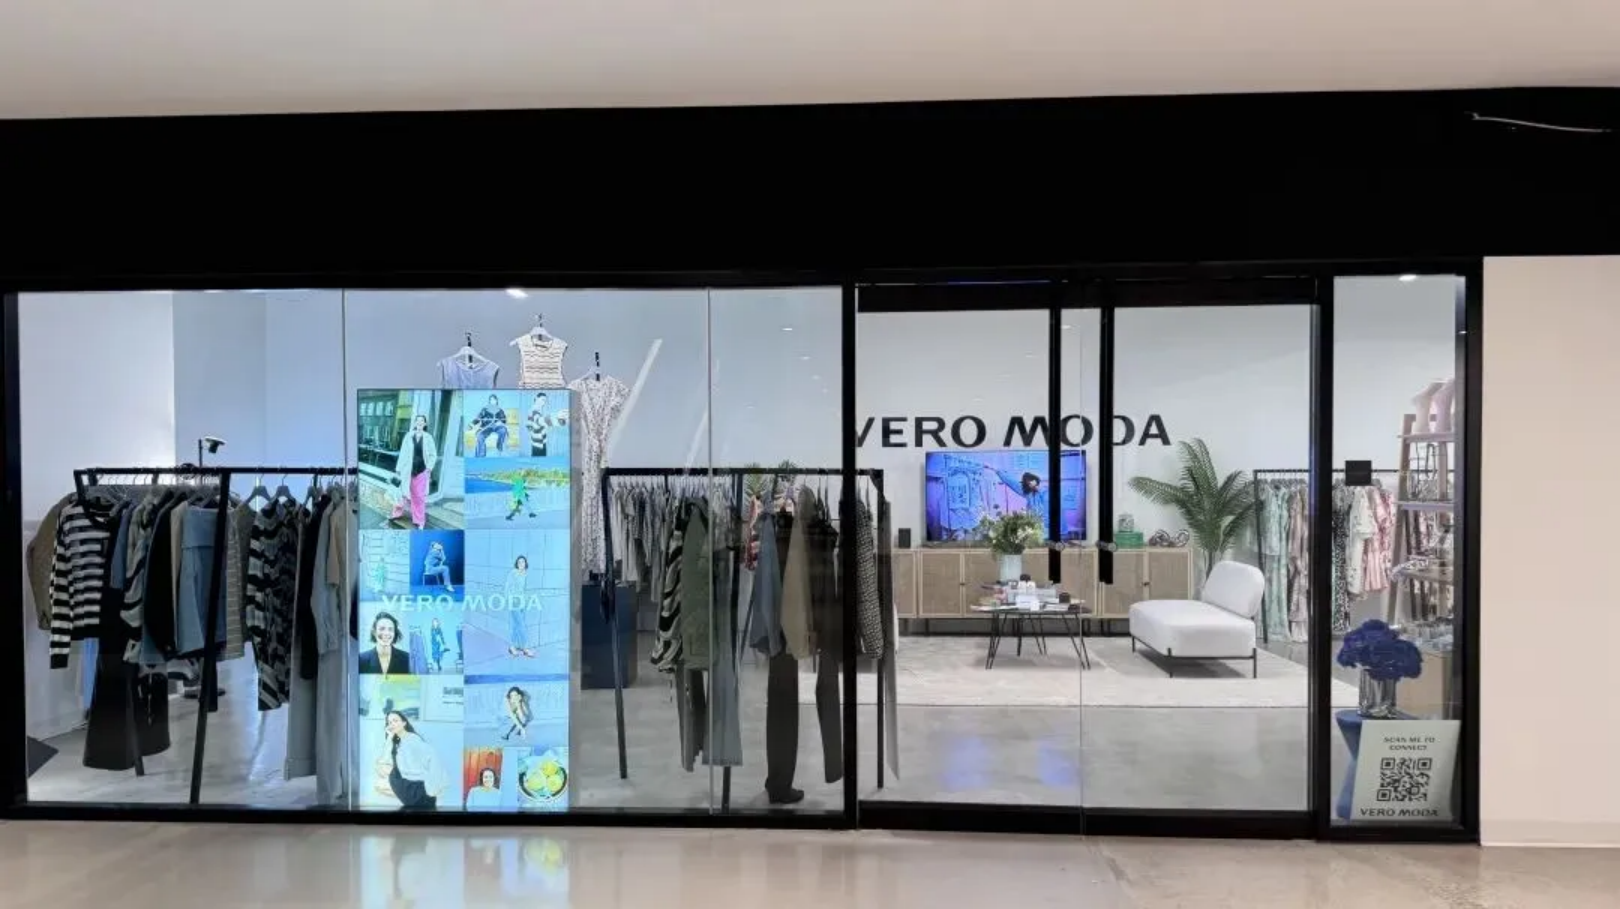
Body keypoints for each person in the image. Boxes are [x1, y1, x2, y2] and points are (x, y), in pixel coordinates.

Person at [375, 711, 444, 810]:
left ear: (404, 723)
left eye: (395, 720)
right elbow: (384, 759)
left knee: (381, 780)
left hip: (415, 783)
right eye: (389, 722)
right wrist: (389, 737)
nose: (392, 724)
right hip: (401, 779)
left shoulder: (413, 738)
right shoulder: (394, 739)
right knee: (380, 770)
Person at [390, 413, 438, 530]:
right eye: (418, 420)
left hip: (421, 471)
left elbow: (433, 455)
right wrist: (398, 469)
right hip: (407, 470)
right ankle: (396, 514)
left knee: (419, 497)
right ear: (415, 423)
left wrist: (429, 468)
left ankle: (420, 521)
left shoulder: (428, 438)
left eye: (422, 421)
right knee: (402, 493)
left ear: (425, 424)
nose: (420, 422)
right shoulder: (408, 436)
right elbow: (402, 453)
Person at [505, 556, 534, 658]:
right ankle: (525, 648)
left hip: (521, 602)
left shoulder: (525, 574)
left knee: (516, 626)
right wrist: (509, 599)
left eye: (523, 562)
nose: (521, 564)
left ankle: (512, 646)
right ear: (517, 564)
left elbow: (522, 589)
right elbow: (507, 587)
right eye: (519, 562)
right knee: (521, 625)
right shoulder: (513, 573)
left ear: (526, 564)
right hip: (514, 602)